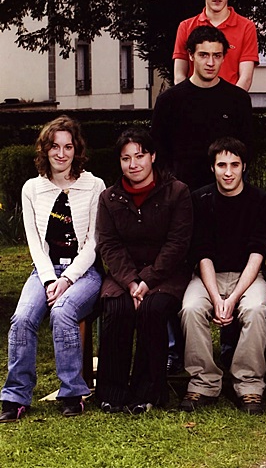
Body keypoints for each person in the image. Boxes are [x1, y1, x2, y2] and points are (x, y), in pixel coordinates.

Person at [0, 116, 104, 422]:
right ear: (45, 150)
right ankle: (16, 396)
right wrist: (49, 280)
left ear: (76, 149)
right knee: (22, 318)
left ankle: (72, 392)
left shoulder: (94, 185)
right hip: (45, 272)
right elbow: (34, 243)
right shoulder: (32, 188)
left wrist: (67, 279)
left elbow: (94, 243)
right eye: (55, 147)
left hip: (84, 273)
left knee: (62, 311)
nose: (61, 153)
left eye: (68, 147)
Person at [95, 127, 192, 414]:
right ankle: (112, 392)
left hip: (166, 273)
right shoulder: (109, 198)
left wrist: (147, 280)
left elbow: (177, 243)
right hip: (124, 275)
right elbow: (109, 245)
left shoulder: (177, 191)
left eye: (139, 156)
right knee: (117, 308)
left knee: (152, 309)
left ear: (153, 157)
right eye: (126, 158)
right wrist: (131, 281)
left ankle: (148, 392)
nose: (133, 164)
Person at [179, 137, 266, 415]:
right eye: (222, 165)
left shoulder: (261, 201)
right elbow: (202, 253)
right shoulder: (199, 200)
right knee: (191, 308)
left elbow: (257, 254)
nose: (228, 172)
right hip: (208, 275)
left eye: (235, 164)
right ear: (212, 168)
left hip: (248, 275)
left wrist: (232, 299)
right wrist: (215, 297)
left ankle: (249, 384)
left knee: (255, 308)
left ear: (244, 166)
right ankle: (204, 382)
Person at [153, 25, 253, 192]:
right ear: (191, 55)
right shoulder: (168, 100)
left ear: (224, 57)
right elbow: (158, 153)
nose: (210, 63)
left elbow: (246, 151)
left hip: (225, 194)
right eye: (203, 55)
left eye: (217, 55)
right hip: (181, 194)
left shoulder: (238, 99)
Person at [172, 0, 259, 90]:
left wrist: (232, 100)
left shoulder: (246, 27)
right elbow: (179, 75)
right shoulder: (186, 27)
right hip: (193, 100)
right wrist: (188, 99)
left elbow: (245, 78)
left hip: (230, 100)